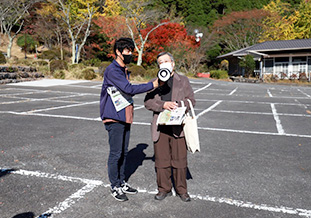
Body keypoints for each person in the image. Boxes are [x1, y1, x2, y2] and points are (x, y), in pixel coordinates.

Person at [100, 37, 159, 202]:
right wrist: (152, 85)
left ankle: (121, 181)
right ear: (118, 52)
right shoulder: (113, 70)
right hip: (114, 116)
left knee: (124, 153)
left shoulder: (123, 69)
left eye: (131, 50)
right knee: (116, 153)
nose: (130, 54)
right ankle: (115, 186)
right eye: (127, 51)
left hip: (124, 115)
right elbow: (128, 89)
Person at [144, 52, 195, 202]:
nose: (164, 63)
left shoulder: (183, 80)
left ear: (173, 63)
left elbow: (191, 100)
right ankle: (163, 188)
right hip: (160, 126)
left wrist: (179, 105)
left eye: (166, 61)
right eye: (160, 62)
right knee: (161, 160)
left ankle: (182, 190)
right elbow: (147, 103)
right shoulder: (154, 81)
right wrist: (163, 105)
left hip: (178, 126)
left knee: (180, 159)